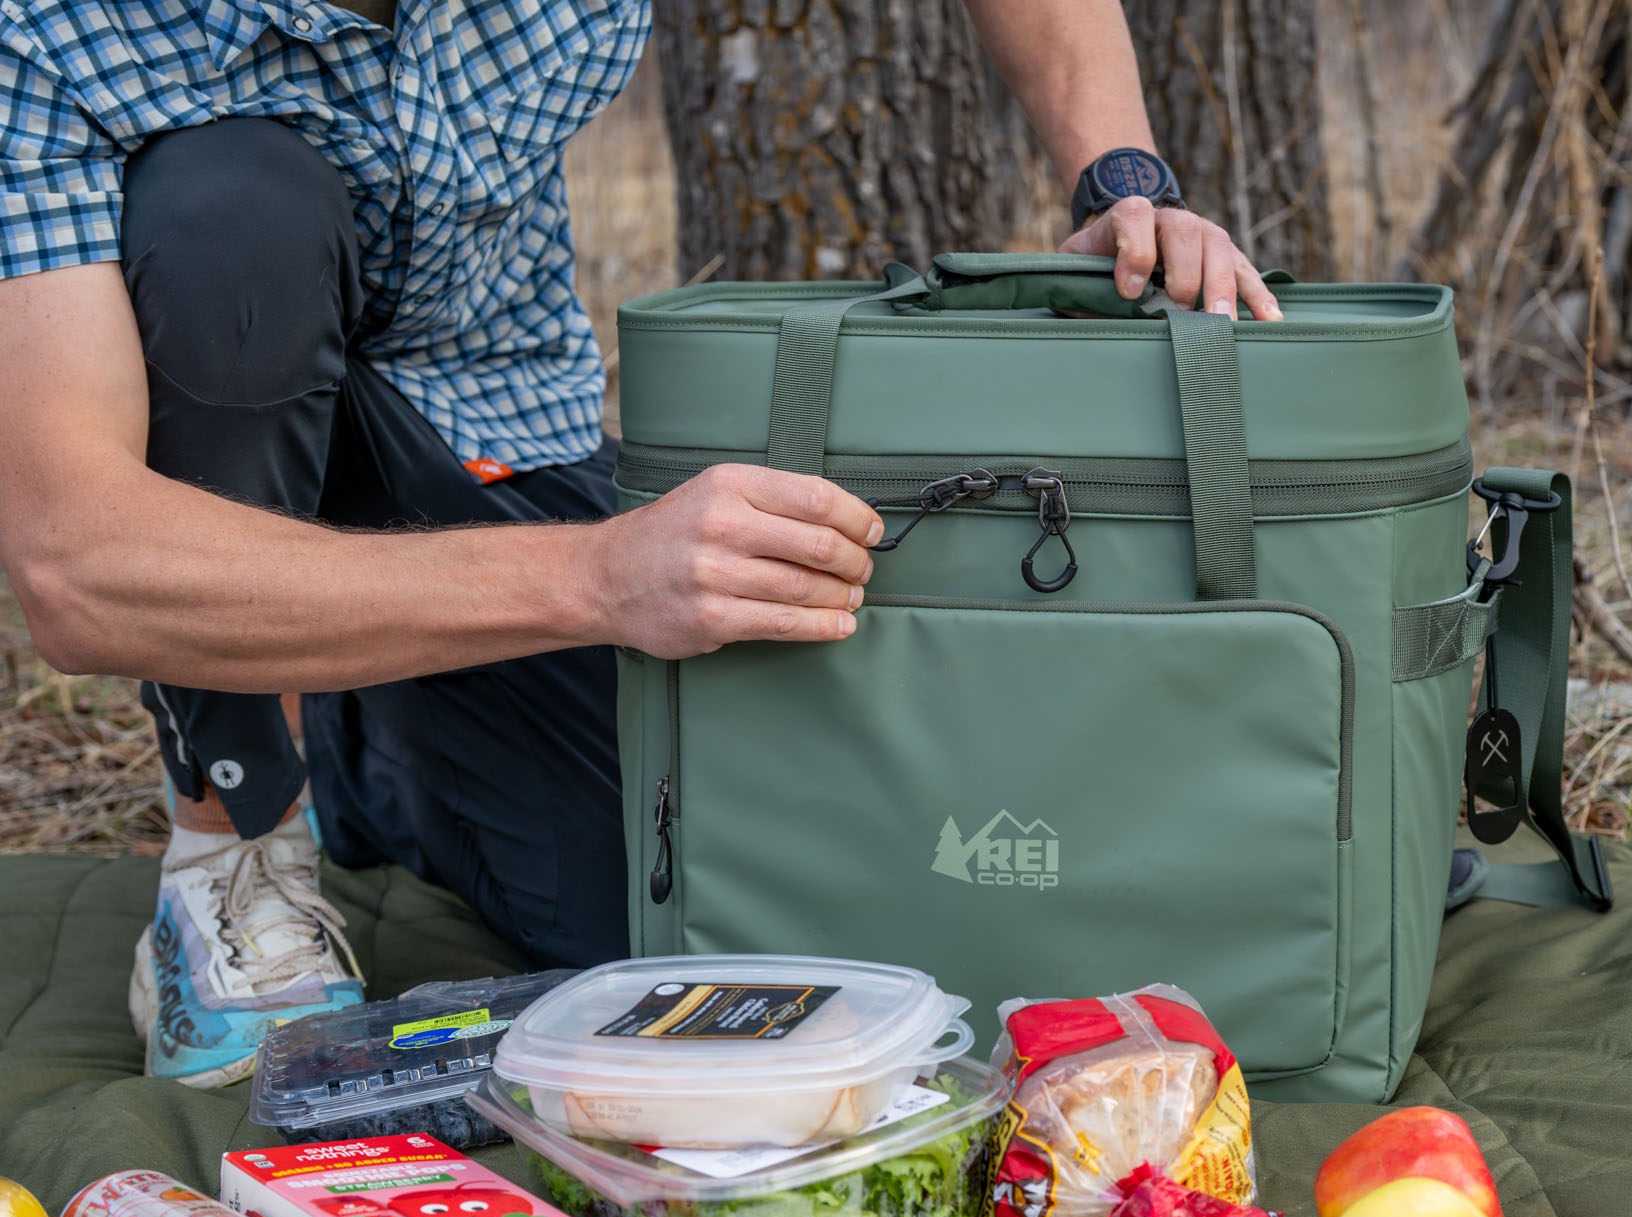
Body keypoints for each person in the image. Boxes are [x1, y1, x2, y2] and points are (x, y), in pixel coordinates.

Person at [0, 0, 1281, 1088]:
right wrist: (602, 577)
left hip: (491, 419)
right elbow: (78, 564)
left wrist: (1121, 176)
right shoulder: (54, 26)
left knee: (719, 912)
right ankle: (238, 835)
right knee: (233, 212)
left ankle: (378, 741)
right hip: (218, 389)